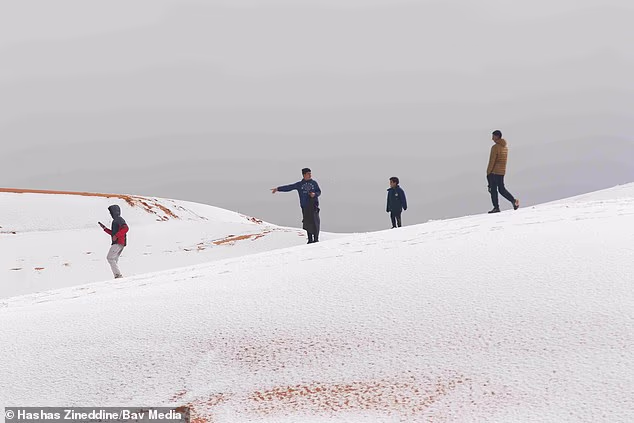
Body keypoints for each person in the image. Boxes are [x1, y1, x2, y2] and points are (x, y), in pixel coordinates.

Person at [271, 168, 322, 243]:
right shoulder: (299, 184)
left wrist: (314, 194)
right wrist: (278, 189)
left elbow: (319, 192)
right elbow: (289, 187)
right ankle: (310, 240)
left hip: (314, 206)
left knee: (315, 222)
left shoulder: (314, 183)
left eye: (310, 173)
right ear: (304, 175)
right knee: (307, 223)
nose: (310, 175)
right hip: (305, 206)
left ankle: (316, 239)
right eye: (308, 174)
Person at [486, 130, 520, 213]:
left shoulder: (495, 147)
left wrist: (488, 172)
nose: (492, 138)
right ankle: (513, 201)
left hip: (494, 172)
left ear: (497, 136)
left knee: (493, 190)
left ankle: (496, 207)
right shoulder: (505, 147)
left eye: (493, 136)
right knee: (501, 189)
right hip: (501, 172)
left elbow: (492, 161)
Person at [98, 205, 129, 279]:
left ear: (114, 212)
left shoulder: (119, 219)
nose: (110, 214)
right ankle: (118, 277)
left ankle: (118, 275)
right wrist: (104, 228)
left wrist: (116, 236)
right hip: (120, 242)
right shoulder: (116, 220)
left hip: (118, 242)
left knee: (110, 258)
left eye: (111, 212)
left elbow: (126, 228)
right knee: (114, 259)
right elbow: (113, 233)